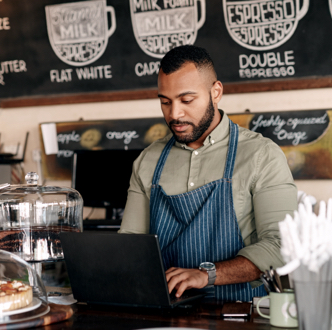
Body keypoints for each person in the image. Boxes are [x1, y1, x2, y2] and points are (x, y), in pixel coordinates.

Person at [119, 45, 297, 302]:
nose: (174, 114)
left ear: (216, 92)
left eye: (187, 100)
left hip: (242, 311)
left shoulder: (262, 155)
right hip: (169, 311)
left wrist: (206, 274)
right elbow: (130, 245)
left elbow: (282, 246)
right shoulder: (148, 160)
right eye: (165, 102)